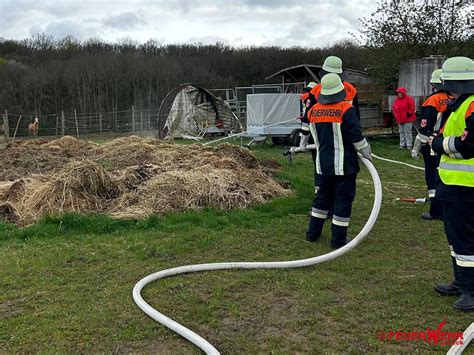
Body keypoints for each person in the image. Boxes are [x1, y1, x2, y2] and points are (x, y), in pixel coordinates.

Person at [305, 73, 372, 249]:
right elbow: (356, 136)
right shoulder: (345, 109)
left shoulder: (313, 111)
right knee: (342, 201)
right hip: (344, 165)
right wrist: (366, 152)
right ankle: (339, 240)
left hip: (322, 164)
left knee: (321, 198)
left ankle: (312, 234)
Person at [429, 56, 474, 311]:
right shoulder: (461, 104)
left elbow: (467, 145)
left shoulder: (471, 106)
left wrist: (437, 144)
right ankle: (461, 281)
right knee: (455, 237)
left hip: (466, 186)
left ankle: (470, 290)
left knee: (466, 240)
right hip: (453, 183)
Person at [411, 69, 453, 220]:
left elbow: (424, 129)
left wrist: (416, 148)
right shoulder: (453, 98)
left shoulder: (432, 101)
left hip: (432, 144)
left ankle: (435, 210)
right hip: (449, 143)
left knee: (432, 175)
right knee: (445, 175)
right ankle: (446, 206)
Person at [310, 56, 360, 120]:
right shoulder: (351, 89)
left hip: (321, 127)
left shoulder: (315, 90)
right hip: (347, 127)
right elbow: (356, 114)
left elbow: (309, 115)